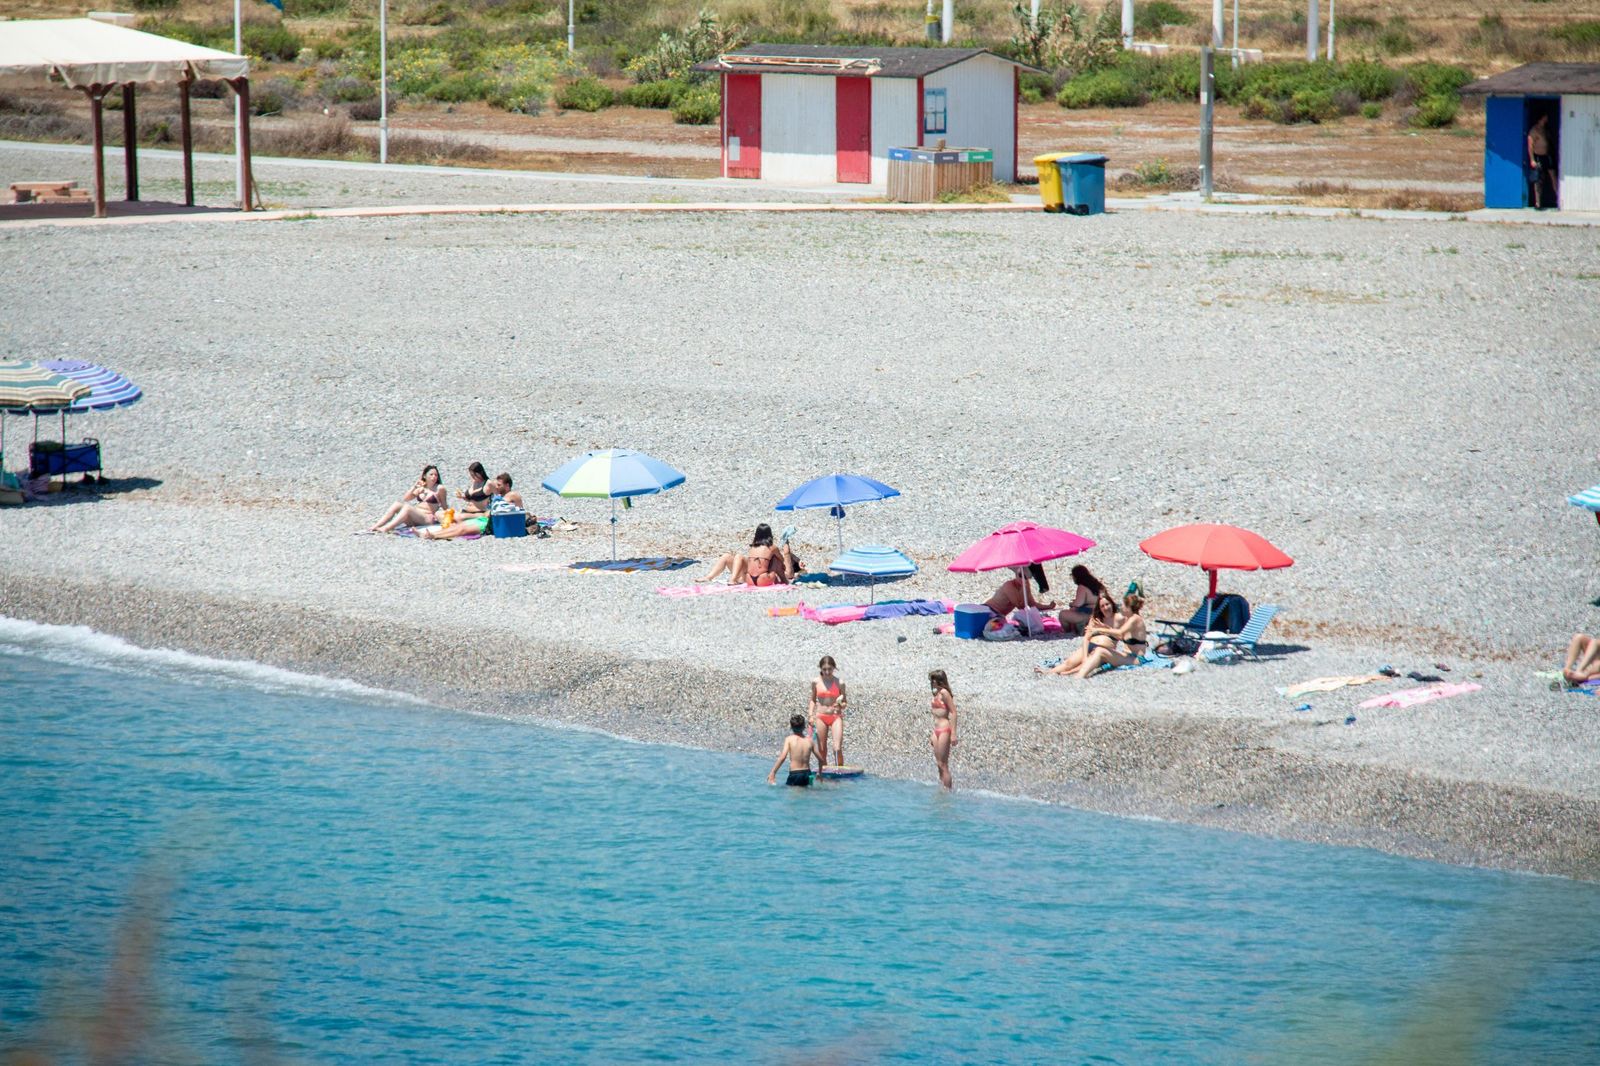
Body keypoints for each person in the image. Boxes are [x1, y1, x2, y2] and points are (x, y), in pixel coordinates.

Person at [421, 473, 531, 541]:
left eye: (499, 485)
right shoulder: (500, 495)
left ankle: (434, 536)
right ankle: (431, 534)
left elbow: (512, 509)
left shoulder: (513, 495)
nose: (496, 487)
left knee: (462, 529)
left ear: (507, 486)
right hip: (487, 520)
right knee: (458, 526)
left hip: (493, 525)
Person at [1037, 588, 1120, 676]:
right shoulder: (1095, 618)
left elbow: (1123, 636)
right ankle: (1050, 672)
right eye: (1102, 606)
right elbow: (1086, 638)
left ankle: (1064, 674)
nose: (1105, 608)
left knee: (1085, 664)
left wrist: (1105, 628)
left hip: (1105, 650)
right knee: (1069, 662)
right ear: (1099, 608)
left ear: (1112, 604)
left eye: (1107, 604)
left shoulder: (1119, 618)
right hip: (1090, 645)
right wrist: (1084, 656)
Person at [696, 523, 801, 586]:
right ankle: (711, 577)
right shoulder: (772, 547)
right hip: (762, 578)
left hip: (748, 578)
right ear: (770, 535)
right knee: (732, 556)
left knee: (733, 556)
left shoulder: (753, 547)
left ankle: (729, 578)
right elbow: (782, 560)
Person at [367, 464, 445, 533]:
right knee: (397, 504)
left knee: (407, 507)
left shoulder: (439, 488)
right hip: (414, 518)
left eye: (436, 475)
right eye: (431, 474)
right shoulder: (422, 487)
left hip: (426, 518)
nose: (434, 477)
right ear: (425, 476)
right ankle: (376, 526)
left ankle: (387, 528)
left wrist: (448, 518)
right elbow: (406, 498)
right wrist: (414, 487)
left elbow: (445, 505)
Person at [809, 655, 848, 768]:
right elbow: (812, 700)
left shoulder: (840, 683)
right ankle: (823, 773)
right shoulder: (816, 682)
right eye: (824, 669)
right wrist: (810, 715)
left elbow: (844, 702)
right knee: (822, 749)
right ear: (820, 668)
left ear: (834, 668)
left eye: (829, 669)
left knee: (837, 748)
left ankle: (840, 771)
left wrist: (841, 705)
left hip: (835, 716)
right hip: (820, 716)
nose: (827, 672)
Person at [984, 563, 1057, 622]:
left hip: (998, 615)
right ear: (1016, 575)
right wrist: (1024, 587)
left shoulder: (1026, 585)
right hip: (988, 610)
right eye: (1020, 575)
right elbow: (1020, 605)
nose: (1023, 579)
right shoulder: (1009, 585)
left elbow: (1031, 604)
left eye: (1025, 577)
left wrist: (1048, 607)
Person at [768, 713, 822, 787]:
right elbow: (821, 759)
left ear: (791, 727)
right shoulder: (810, 741)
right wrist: (819, 773)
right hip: (807, 774)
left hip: (795, 774)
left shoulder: (789, 739)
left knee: (793, 796)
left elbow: (783, 757)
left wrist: (773, 772)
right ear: (804, 727)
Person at [1056, 564, 1106, 635]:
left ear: (1076, 576)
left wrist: (1072, 604)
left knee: (1062, 614)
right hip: (1101, 613)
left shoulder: (1082, 587)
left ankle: (1069, 632)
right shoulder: (1098, 585)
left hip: (1089, 615)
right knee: (1074, 610)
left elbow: (1078, 603)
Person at [928, 669, 957, 790]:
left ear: (940, 680)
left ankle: (948, 791)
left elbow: (953, 712)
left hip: (945, 729)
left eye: (934, 680)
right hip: (936, 730)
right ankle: (943, 788)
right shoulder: (937, 694)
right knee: (939, 764)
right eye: (932, 680)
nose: (932, 682)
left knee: (943, 764)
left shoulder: (945, 693)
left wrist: (953, 734)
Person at [1528, 114, 1554, 210]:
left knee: (1553, 176)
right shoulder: (1534, 130)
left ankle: (1558, 199)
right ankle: (1538, 202)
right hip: (1538, 157)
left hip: (1547, 156)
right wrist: (1532, 159)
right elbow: (1530, 145)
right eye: (1545, 117)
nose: (1547, 118)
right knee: (1538, 180)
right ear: (1541, 118)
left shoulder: (1545, 129)